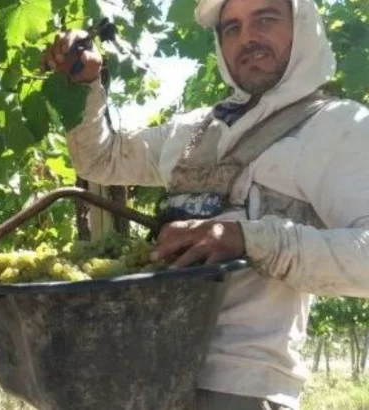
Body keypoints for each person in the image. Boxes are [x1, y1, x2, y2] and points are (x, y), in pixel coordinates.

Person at [43, 0, 369, 408]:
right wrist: (87, 85)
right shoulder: (195, 130)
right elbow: (101, 160)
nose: (247, 38)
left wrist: (249, 239)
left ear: (303, 28)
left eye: (266, 19)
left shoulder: (337, 127)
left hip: (240, 386)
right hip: (144, 371)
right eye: (231, 28)